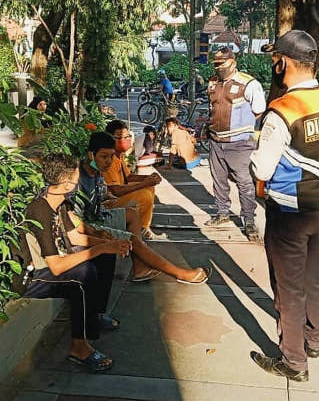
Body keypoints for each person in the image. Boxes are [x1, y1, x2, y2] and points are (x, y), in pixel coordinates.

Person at [249, 30, 319, 382]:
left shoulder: (282, 112)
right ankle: (315, 341)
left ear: (283, 62)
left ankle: (293, 362)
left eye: (275, 59)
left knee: (290, 290)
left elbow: (262, 169)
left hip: (290, 215)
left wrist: (254, 153)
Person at [15, 153, 129, 373]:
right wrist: (100, 247)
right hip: (32, 275)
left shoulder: (59, 201)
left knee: (104, 256)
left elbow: (75, 237)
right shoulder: (40, 210)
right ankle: (79, 346)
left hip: (51, 262)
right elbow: (56, 266)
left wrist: (109, 245)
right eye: (76, 175)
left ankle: (94, 316)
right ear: (67, 182)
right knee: (83, 274)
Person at [79, 131, 211, 283]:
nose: (108, 161)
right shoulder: (78, 177)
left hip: (99, 213)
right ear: (91, 155)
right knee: (132, 239)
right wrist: (96, 230)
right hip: (89, 224)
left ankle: (140, 267)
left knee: (132, 215)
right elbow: (76, 218)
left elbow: (106, 191)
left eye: (111, 156)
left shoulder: (98, 171)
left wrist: (105, 199)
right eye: (104, 157)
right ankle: (180, 274)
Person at [205, 47, 266, 242]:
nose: (219, 68)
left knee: (244, 182)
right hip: (216, 140)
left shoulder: (248, 84)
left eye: (222, 64)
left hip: (239, 143)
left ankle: (248, 220)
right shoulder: (213, 83)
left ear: (233, 62)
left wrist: (243, 126)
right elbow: (212, 107)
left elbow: (259, 110)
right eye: (216, 65)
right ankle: (222, 212)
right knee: (218, 179)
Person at [103, 120, 165, 240]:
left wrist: (148, 179)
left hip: (119, 195)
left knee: (149, 187)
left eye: (128, 136)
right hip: (110, 202)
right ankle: (140, 229)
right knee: (144, 195)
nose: (127, 140)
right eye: (121, 137)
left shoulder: (118, 155)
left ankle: (144, 226)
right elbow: (116, 191)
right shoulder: (109, 160)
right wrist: (144, 183)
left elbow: (129, 177)